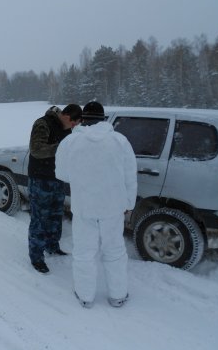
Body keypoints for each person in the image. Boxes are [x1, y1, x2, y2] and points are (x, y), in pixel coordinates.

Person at [55, 101, 137, 308]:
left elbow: (62, 174)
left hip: (84, 206)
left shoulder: (70, 142)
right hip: (113, 207)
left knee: (84, 252)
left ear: (83, 118)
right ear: (103, 118)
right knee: (115, 251)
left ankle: (85, 296)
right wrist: (129, 202)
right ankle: (118, 295)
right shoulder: (120, 141)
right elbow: (130, 175)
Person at [28, 103, 83, 273]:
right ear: (66, 116)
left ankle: (52, 246)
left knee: (55, 216)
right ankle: (36, 257)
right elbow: (36, 149)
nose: (74, 127)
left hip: (57, 179)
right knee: (40, 219)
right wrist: (62, 147)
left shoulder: (66, 129)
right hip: (40, 179)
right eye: (74, 123)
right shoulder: (43, 123)